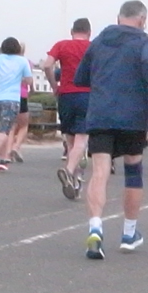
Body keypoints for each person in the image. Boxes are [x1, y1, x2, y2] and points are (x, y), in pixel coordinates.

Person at [73, 0, 148, 258]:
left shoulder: (99, 41)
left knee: (99, 171)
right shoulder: (146, 42)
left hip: (100, 112)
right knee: (133, 171)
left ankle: (95, 229)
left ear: (118, 17)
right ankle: (128, 233)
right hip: (132, 115)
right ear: (143, 19)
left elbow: (81, 77)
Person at [42, 18, 92, 200]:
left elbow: (47, 65)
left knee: (71, 142)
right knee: (82, 140)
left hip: (66, 95)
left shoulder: (61, 45)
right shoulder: (93, 47)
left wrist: (54, 85)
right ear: (89, 32)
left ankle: (76, 181)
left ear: (72, 31)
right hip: (87, 95)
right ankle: (70, 171)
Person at [0, 38, 33, 174]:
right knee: (4, 130)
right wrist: (20, 78)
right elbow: (29, 80)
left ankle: (3, 160)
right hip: (11, 99)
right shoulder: (22, 61)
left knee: (0, 130)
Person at [8, 44, 34, 164]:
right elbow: (29, 80)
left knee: (12, 126)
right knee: (24, 125)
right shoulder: (27, 62)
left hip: (9, 95)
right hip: (22, 95)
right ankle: (16, 147)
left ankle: (8, 153)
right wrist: (32, 89)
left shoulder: (8, 62)